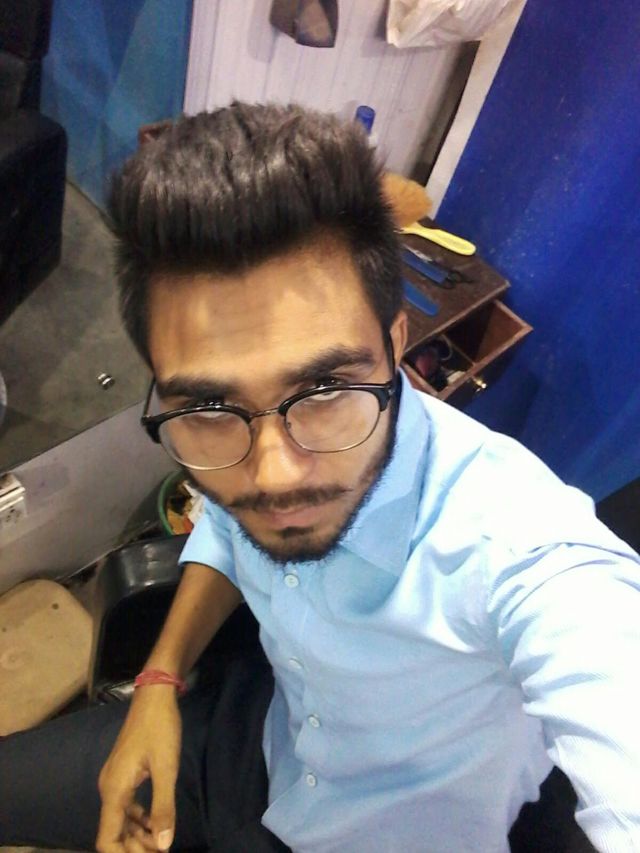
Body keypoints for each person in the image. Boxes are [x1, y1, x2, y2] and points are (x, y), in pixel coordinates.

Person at [1, 103, 639, 853]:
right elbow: (227, 530)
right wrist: (160, 680)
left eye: (327, 389)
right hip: (252, 737)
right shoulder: (243, 457)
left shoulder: (523, 552)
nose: (272, 475)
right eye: (210, 406)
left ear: (396, 345)